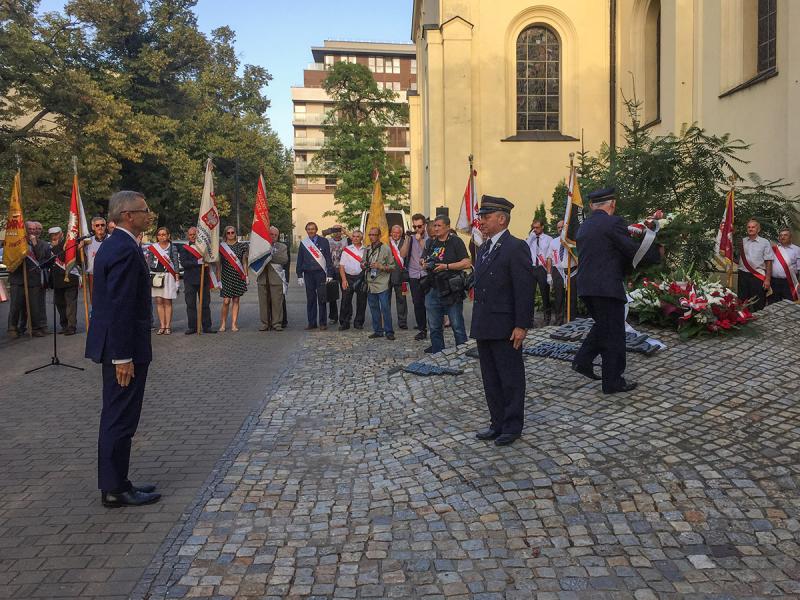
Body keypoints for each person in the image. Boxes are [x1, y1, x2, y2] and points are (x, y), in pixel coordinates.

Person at [86, 190, 160, 507]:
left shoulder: (119, 245)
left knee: (121, 416)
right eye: (144, 210)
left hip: (122, 345)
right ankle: (115, 488)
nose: (149, 214)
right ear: (128, 215)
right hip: (123, 349)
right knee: (120, 418)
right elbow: (120, 306)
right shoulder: (124, 249)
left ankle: (119, 480)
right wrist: (122, 356)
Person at [572, 188, 657, 394]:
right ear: (612, 204)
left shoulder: (584, 227)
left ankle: (590, 366)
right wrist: (652, 243)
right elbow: (630, 250)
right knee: (615, 332)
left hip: (586, 287)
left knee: (606, 328)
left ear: (593, 206)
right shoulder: (614, 223)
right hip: (607, 287)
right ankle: (608, 377)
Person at [471, 195, 535, 446]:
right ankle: (496, 422)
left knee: (510, 378)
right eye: (480, 218)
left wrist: (522, 325)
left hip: (506, 326)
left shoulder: (515, 246)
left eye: (485, 218)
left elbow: (524, 289)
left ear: (501, 218)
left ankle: (512, 425)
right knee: (490, 378)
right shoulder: (485, 247)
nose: (481, 223)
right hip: (485, 324)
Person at [422, 215, 471, 353]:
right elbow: (424, 258)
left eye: (438, 225)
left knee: (457, 325)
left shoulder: (456, 241)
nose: (435, 228)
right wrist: (424, 263)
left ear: (447, 227)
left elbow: (467, 262)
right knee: (434, 326)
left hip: (451, 289)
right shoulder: (431, 242)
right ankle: (438, 354)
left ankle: (462, 353)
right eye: (435, 225)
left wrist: (446, 266)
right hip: (433, 288)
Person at [7, 221, 50, 337]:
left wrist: (35, 244)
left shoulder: (42, 244)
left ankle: (35, 328)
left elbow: (41, 258)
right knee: (16, 305)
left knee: (35, 305)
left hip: (33, 279)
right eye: (30, 229)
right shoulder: (17, 243)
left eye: (35, 229)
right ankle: (12, 327)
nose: (33, 231)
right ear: (25, 230)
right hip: (18, 278)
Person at [296, 221, 334, 330]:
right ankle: (312, 322)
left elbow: (328, 258)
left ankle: (322, 323)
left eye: (312, 229)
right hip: (308, 274)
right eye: (308, 229)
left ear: (316, 230)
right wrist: (299, 275)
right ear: (306, 230)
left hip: (320, 273)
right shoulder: (304, 243)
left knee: (322, 298)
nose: (310, 231)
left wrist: (329, 273)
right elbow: (300, 259)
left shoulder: (324, 241)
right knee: (311, 299)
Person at [178, 226, 215, 334]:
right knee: (190, 304)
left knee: (205, 304)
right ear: (188, 236)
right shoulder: (184, 248)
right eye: (191, 234)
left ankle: (207, 326)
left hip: (204, 279)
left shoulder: (204, 248)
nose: (193, 236)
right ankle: (192, 327)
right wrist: (197, 263)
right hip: (190, 280)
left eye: (195, 234)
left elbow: (211, 259)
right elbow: (184, 263)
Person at [362, 227, 396, 340]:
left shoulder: (385, 248)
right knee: (373, 308)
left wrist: (380, 266)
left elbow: (392, 267)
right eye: (370, 235)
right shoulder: (367, 249)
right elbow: (363, 262)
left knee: (385, 308)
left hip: (382, 283)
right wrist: (363, 265)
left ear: (379, 235)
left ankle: (389, 331)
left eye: (374, 235)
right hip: (370, 283)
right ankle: (378, 330)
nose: (371, 237)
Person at [146, 226, 181, 335]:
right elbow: (149, 262)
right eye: (160, 235)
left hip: (168, 277)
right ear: (157, 236)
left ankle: (168, 326)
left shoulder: (172, 247)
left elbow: (176, 263)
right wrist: (153, 266)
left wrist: (177, 278)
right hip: (157, 276)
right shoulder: (153, 247)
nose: (162, 236)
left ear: (168, 236)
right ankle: (162, 325)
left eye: (164, 234)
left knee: (167, 301)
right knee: (159, 301)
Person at [48, 226, 81, 335]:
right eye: (52, 235)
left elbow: (62, 257)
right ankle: (64, 325)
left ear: (62, 234)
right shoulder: (50, 246)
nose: (54, 236)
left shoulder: (68, 243)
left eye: (57, 234)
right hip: (57, 280)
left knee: (70, 304)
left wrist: (54, 247)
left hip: (70, 277)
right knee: (60, 303)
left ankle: (71, 326)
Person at [736, 219, 773, 312]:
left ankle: (759, 323)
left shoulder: (765, 242)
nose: (750, 229)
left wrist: (767, 279)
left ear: (758, 229)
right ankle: (743, 321)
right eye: (748, 227)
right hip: (743, 275)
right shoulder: (742, 241)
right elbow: (736, 258)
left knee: (758, 302)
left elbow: (768, 261)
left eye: (753, 227)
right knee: (742, 301)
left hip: (757, 276)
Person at [403, 213, 429, 340]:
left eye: (419, 226)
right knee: (417, 303)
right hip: (413, 274)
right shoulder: (411, 238)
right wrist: (408, 239)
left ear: (424, 225)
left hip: (427, 274)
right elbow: (402, 254)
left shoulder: (430, 238)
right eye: (415, 227)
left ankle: (435, 326)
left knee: (430, 302)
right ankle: (422, 329)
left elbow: (428, 251)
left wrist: (420, 240)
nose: (417, 229)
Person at [546, 220, 578, 325]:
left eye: (562, 227)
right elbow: (549, 258)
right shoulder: (553, 242)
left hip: (571, 270)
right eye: (558, 227)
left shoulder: (573, 242)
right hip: (557, 271)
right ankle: (559, 321)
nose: (560, 229)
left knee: (571, 297)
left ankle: (572, 321)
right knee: (558, 297)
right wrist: (549, 274)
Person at [258, 225, 289, 331]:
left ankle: (277, 323)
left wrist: (269, 255)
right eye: (271, 234)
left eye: (276, 235)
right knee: (263, 302)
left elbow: (283, 259)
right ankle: (265, 323)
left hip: (276, 277)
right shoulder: (260, 245)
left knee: (277, 303)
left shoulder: (282, 246)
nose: (273, 236)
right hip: (262, 278)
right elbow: (254, 257)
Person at [217, 226, 248, 332]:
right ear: (225, 234)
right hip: (226, 276)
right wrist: (218, 279)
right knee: (226, 301)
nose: (231, 234)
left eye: (232, 232)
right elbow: (218, 265)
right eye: (228, 233)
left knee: (236, 300)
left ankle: (234, 324)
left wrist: (246, 275)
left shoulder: (242, 246)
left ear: (235, 233)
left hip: (238, 276)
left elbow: (244, 262)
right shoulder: (221, 247)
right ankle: (223, 323)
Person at [338, 229, 367, 330]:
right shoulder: (347, 249)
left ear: (361, 238)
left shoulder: (366, 250)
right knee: (345, 301)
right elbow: (341, 266)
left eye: (357, 237)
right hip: (348, 277)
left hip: (361, 278)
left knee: (362, 301)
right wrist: (344, 280)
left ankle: (358, 322)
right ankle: (344, 322)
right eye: (353, 236)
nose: (355, 238)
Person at [526, 218, 554, 326]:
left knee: (544, 294)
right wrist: (531, 238)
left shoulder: (548, 239)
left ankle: (547, 318)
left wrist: (549, 273)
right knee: (530, 294)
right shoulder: (530, 238)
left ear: (542, 227)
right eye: (534, 227)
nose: (535, 229)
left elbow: (549, 256)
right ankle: (530, 319)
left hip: (542, 268)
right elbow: (524, 248)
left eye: (537, 227)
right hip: (532, 268)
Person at [388, 224, 409, 330]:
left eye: (398, 233)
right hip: (386, 275)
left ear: (401, 233)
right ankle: (387, 321)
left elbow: (408, 257)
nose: (395, 234)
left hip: (401, 275)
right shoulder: (386, 241)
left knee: (401, 300)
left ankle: (402, 322)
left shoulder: (405, 241)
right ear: (391, 232)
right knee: (385, 301)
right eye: (394, 232)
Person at [769, 228, 799, 303]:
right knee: (773, 304)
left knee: (789, 305)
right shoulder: (774, 249)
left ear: (790, 237)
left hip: (789, 282)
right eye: (781, 235)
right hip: (774, 282)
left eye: (785, 235)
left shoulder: (797, 250)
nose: (783, 237)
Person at [325, 225, 348, 324]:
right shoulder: (327, 241)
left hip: (343, 270)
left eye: (339, 230)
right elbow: (318, 237)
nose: (337, 232)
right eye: (335, 230)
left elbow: (357, 237)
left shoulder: (346, 241)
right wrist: (328, 230)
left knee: (346, 294)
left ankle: (346, 315)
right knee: (332, 295)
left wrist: (344, 231)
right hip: (331, 270)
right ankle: (333, 317)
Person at [83, 216, 109, 298]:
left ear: (106, 226)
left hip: (109, 274)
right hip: (93, 274)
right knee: (94, 298)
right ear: (93, 227)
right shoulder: (88, 241)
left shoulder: (112, 239)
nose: (100, 227)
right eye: (97, 225)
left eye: (102, 225)